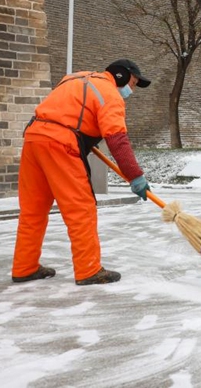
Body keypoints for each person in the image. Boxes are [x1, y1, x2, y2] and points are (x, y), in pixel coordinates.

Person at [12, 59, 153, 285]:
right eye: (133, 83)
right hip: (60, 145)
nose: (132, 90)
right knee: (81, 209)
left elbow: (68, 112)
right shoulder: (110, 94)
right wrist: (135, 175)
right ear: (121, 76)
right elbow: (118, 140)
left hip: (33, 139)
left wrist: (86, 137)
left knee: (33, 210)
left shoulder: (75, 78)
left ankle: (24, 267)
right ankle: (89, 270)